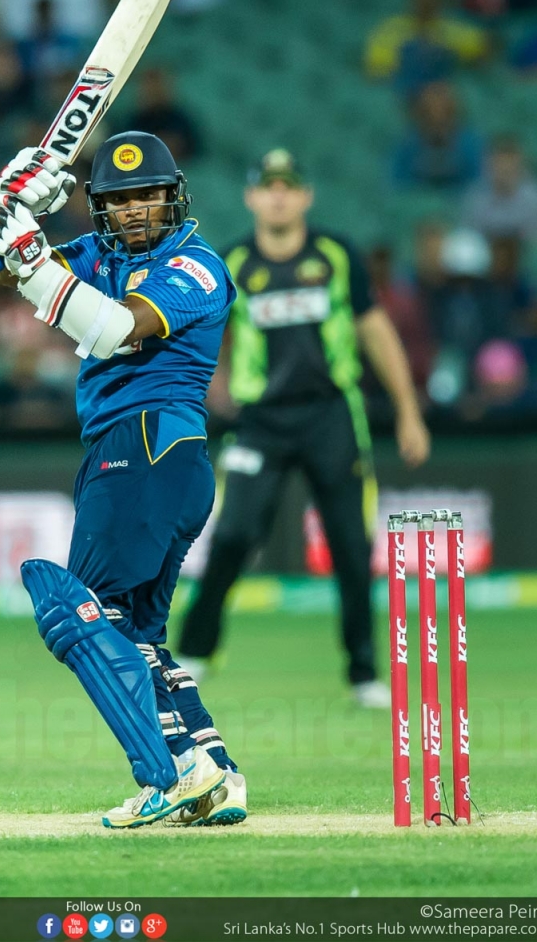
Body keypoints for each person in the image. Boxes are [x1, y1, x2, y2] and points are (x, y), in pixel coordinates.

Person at [0, 131, 246, 829]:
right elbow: (13, 271)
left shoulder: (197, 266)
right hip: (155, 458)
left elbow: (117, 329)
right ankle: (216, 772)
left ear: (173, 196)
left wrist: (29, 256)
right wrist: (11, 209)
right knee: (137, 633)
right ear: (100, 206)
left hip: (147, 444)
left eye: (147, 196)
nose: (134, 210)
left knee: (82, 614)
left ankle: (173, 768)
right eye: (120, 199)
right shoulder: (97, 254)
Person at [177, 149, 430, 708]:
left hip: (331, 414)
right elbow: (202, 337)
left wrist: (408, 410)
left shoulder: (336, 255)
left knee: (350, 544)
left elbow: (375, 330)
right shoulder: (231, 263)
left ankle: (363, 673)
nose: (278, 196)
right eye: (268, 187)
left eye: (288, 186)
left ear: (306, 196)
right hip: (260, 420)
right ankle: (195, 652)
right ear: (251, 197)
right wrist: (211, 389)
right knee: (233, 535)